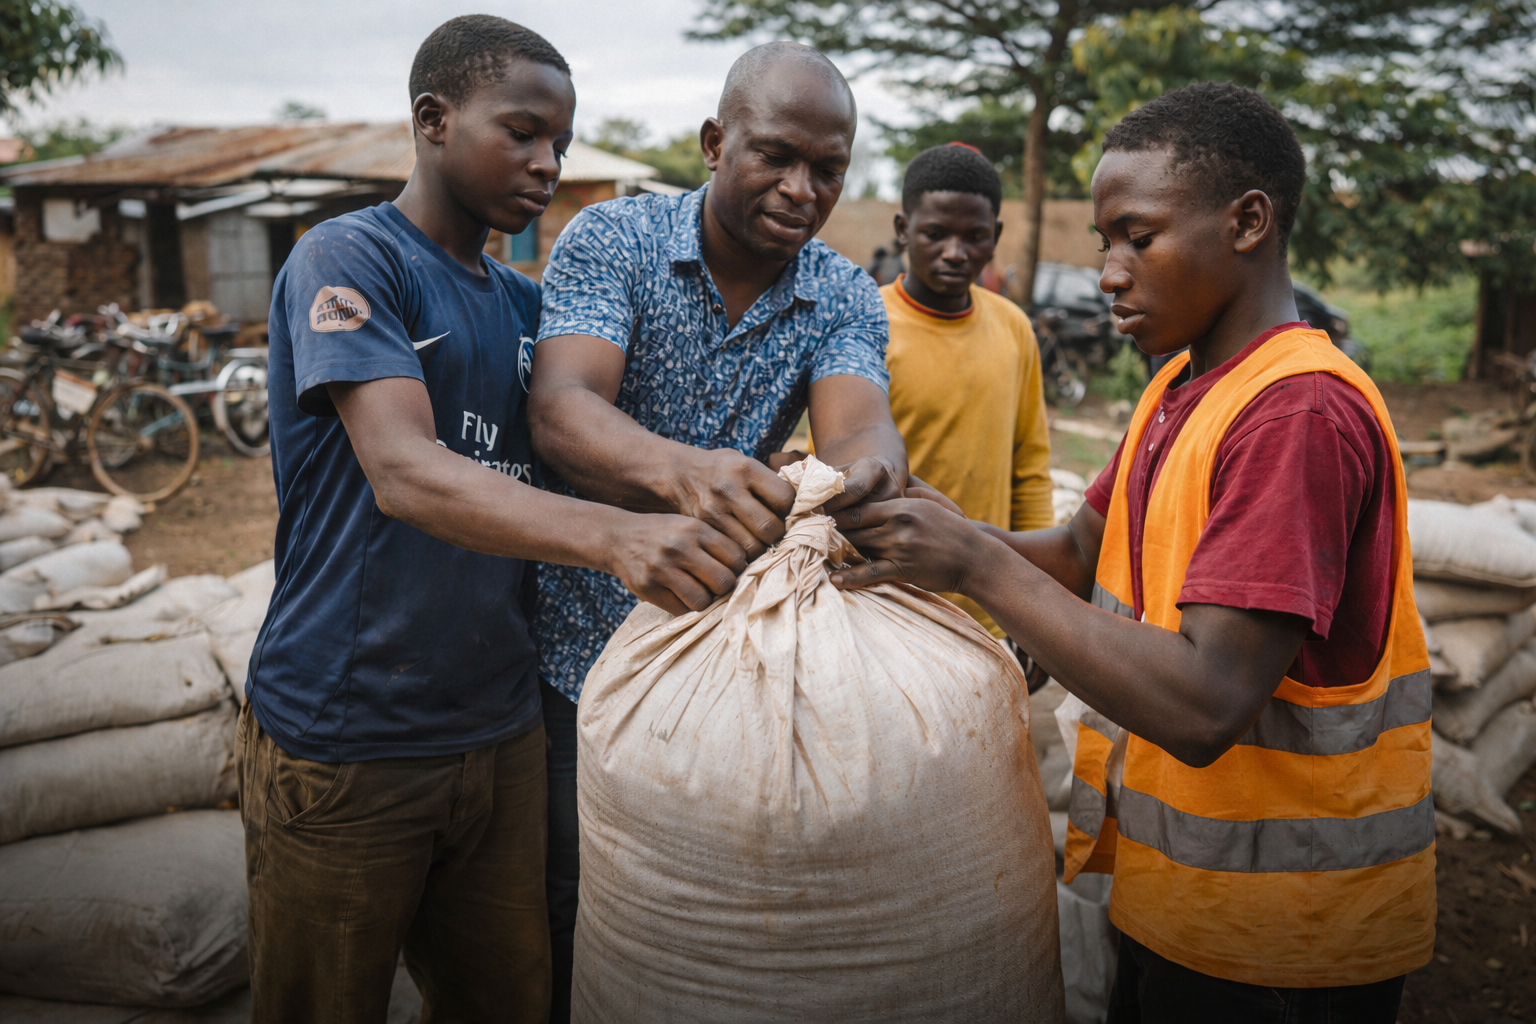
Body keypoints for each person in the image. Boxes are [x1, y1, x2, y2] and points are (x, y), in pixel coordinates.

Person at [827, 82, 1433, 1022]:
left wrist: (974, 566)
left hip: (1284, 936)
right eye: (1103, 243)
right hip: (1181, 898)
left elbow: (1205, 704)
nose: (1110, 271)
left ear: (1249, 222)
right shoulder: (1182, 386)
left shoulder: (1297, 412)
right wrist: (932, 526)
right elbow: (1078, 550)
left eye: (1136, 238)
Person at [239, 17, 749, 1023]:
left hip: (502, 732)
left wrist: (763, 506)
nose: (548, 162)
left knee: (511, 999)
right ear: (433, 121)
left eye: (559, 139)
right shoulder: (347, 261)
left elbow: (586, 449)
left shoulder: (528, 306)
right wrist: (617, 537)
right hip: (352, 734)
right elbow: (407, 472)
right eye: (520, 131)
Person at [527, 41, 909, 1021]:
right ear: (713, 142)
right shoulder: (612, 240)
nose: (802, 188)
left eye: (828, 168)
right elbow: (563, 408)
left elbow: (860, 424)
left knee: (712, 913)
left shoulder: (840, 290)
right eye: (776, 155)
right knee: (579, 907)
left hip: (714, 647)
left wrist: (867, 477)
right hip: (572, 655)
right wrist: (684, 472)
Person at [882, 142, 1052, 640]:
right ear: (902, 230)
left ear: (995, 236)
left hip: (987, 611)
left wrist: (1033, 602)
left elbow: (1030, 468)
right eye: (935, 234)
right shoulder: (867, 325)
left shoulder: (1014, 327)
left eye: (975, 236)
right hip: (885, 603)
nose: (955, 253)